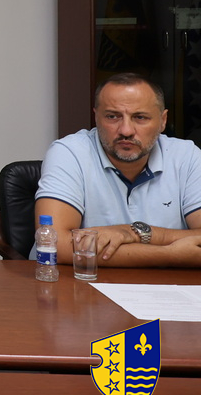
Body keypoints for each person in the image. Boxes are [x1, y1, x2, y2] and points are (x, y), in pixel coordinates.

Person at [34, 72, 201, 267]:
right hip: (80, 281)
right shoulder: (69, 152)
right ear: (96, 117)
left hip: (165, 284)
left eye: (140, 117)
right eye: (112, 116)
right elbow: (54, 244)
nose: (126, 131)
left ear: (163, 120)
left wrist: (133, 232)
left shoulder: (186, 156)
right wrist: (170, 254)